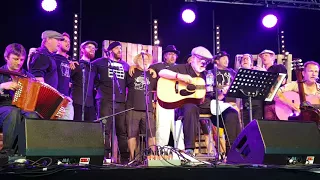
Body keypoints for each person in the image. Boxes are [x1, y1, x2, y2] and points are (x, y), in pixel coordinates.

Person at [158, 46, 214, 155]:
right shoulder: (183, 68)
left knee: (229, 111)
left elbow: (211, 93)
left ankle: (233, 149)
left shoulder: (207, 75)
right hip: (184, 105)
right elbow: (162, 72)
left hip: (204, 104)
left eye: (206, 62)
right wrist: (179, 76)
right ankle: (190, 149)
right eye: (200, 60)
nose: (203, 64)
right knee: (190, 107)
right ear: (192, 58)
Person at [130, 45, 185, 150]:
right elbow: (143, 69)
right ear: (165, 56)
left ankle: (181, 151)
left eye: (174, 54)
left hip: (178, 101)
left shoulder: (180, 68)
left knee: (178, 127)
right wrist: (133, 66)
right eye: (170, 54)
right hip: (163, 100)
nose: (173, 56)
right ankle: (161, 151)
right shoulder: (157, 66)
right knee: (162, 127)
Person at [93, 41, 129, 163]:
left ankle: (125, 158)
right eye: (117, 48)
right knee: (105, 129)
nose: (120, 50)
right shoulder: (100, 62)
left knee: (122, 131)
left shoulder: (125, 65)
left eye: (121, 48)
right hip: (105, 100)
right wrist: (97, 88)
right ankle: (105, 157)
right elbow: (89, 72)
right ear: (110, 50)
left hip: (120, 102)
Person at [0, 43, 39, 153]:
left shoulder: (29, 77)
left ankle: (28, 153)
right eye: (15, 59)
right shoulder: (1, 73)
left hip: (22, 109)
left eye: (22, 60)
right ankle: (7, 153)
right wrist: (2, 86)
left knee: (32, 115)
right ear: (6, 57)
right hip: (3, 108)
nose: (19, 63)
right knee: (13, 112)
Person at [126, 53, 157, 160]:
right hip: (132, 109)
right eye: (142, 58)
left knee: (151, 134)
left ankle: (152, 158)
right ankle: (132, 158)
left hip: (148, 110)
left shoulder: (152, 74)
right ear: (136, 60)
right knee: (132, 134)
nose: (145, 60)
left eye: (147, 58)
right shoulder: (131, 72)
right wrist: (132, 66)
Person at [71, 41, 98, 122]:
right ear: (82, 50)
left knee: (89, 130)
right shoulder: (76, 64)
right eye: (89, 47)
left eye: (94, 48)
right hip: (77, 102)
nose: (92, 49)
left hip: (90, 104)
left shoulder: (94, 67)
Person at [259, 49, 287, 120]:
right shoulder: (260, 71)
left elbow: (282, 81)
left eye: (266, 55)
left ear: (272, 58)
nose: (264, 57)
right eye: (262, 56)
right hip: (266, 104)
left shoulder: (279, 67)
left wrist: (265, 73)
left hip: (278, 102)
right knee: (269, 127)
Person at [53, 32, 75, 120]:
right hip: (55, 98)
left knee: (67, 127)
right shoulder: (53, 58)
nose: (68, 43)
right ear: (58, 43)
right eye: (65, 41)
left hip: (66, 98)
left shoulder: (68, 61)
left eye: (69, 42)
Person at [238, 54, 264, 126]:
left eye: (247, 59)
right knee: (247, 128)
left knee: (256, 127)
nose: (245, 60)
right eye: (243, 59)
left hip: (256, 105)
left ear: (251, 63)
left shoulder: (257, 72)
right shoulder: (239, 75)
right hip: (245, 107)